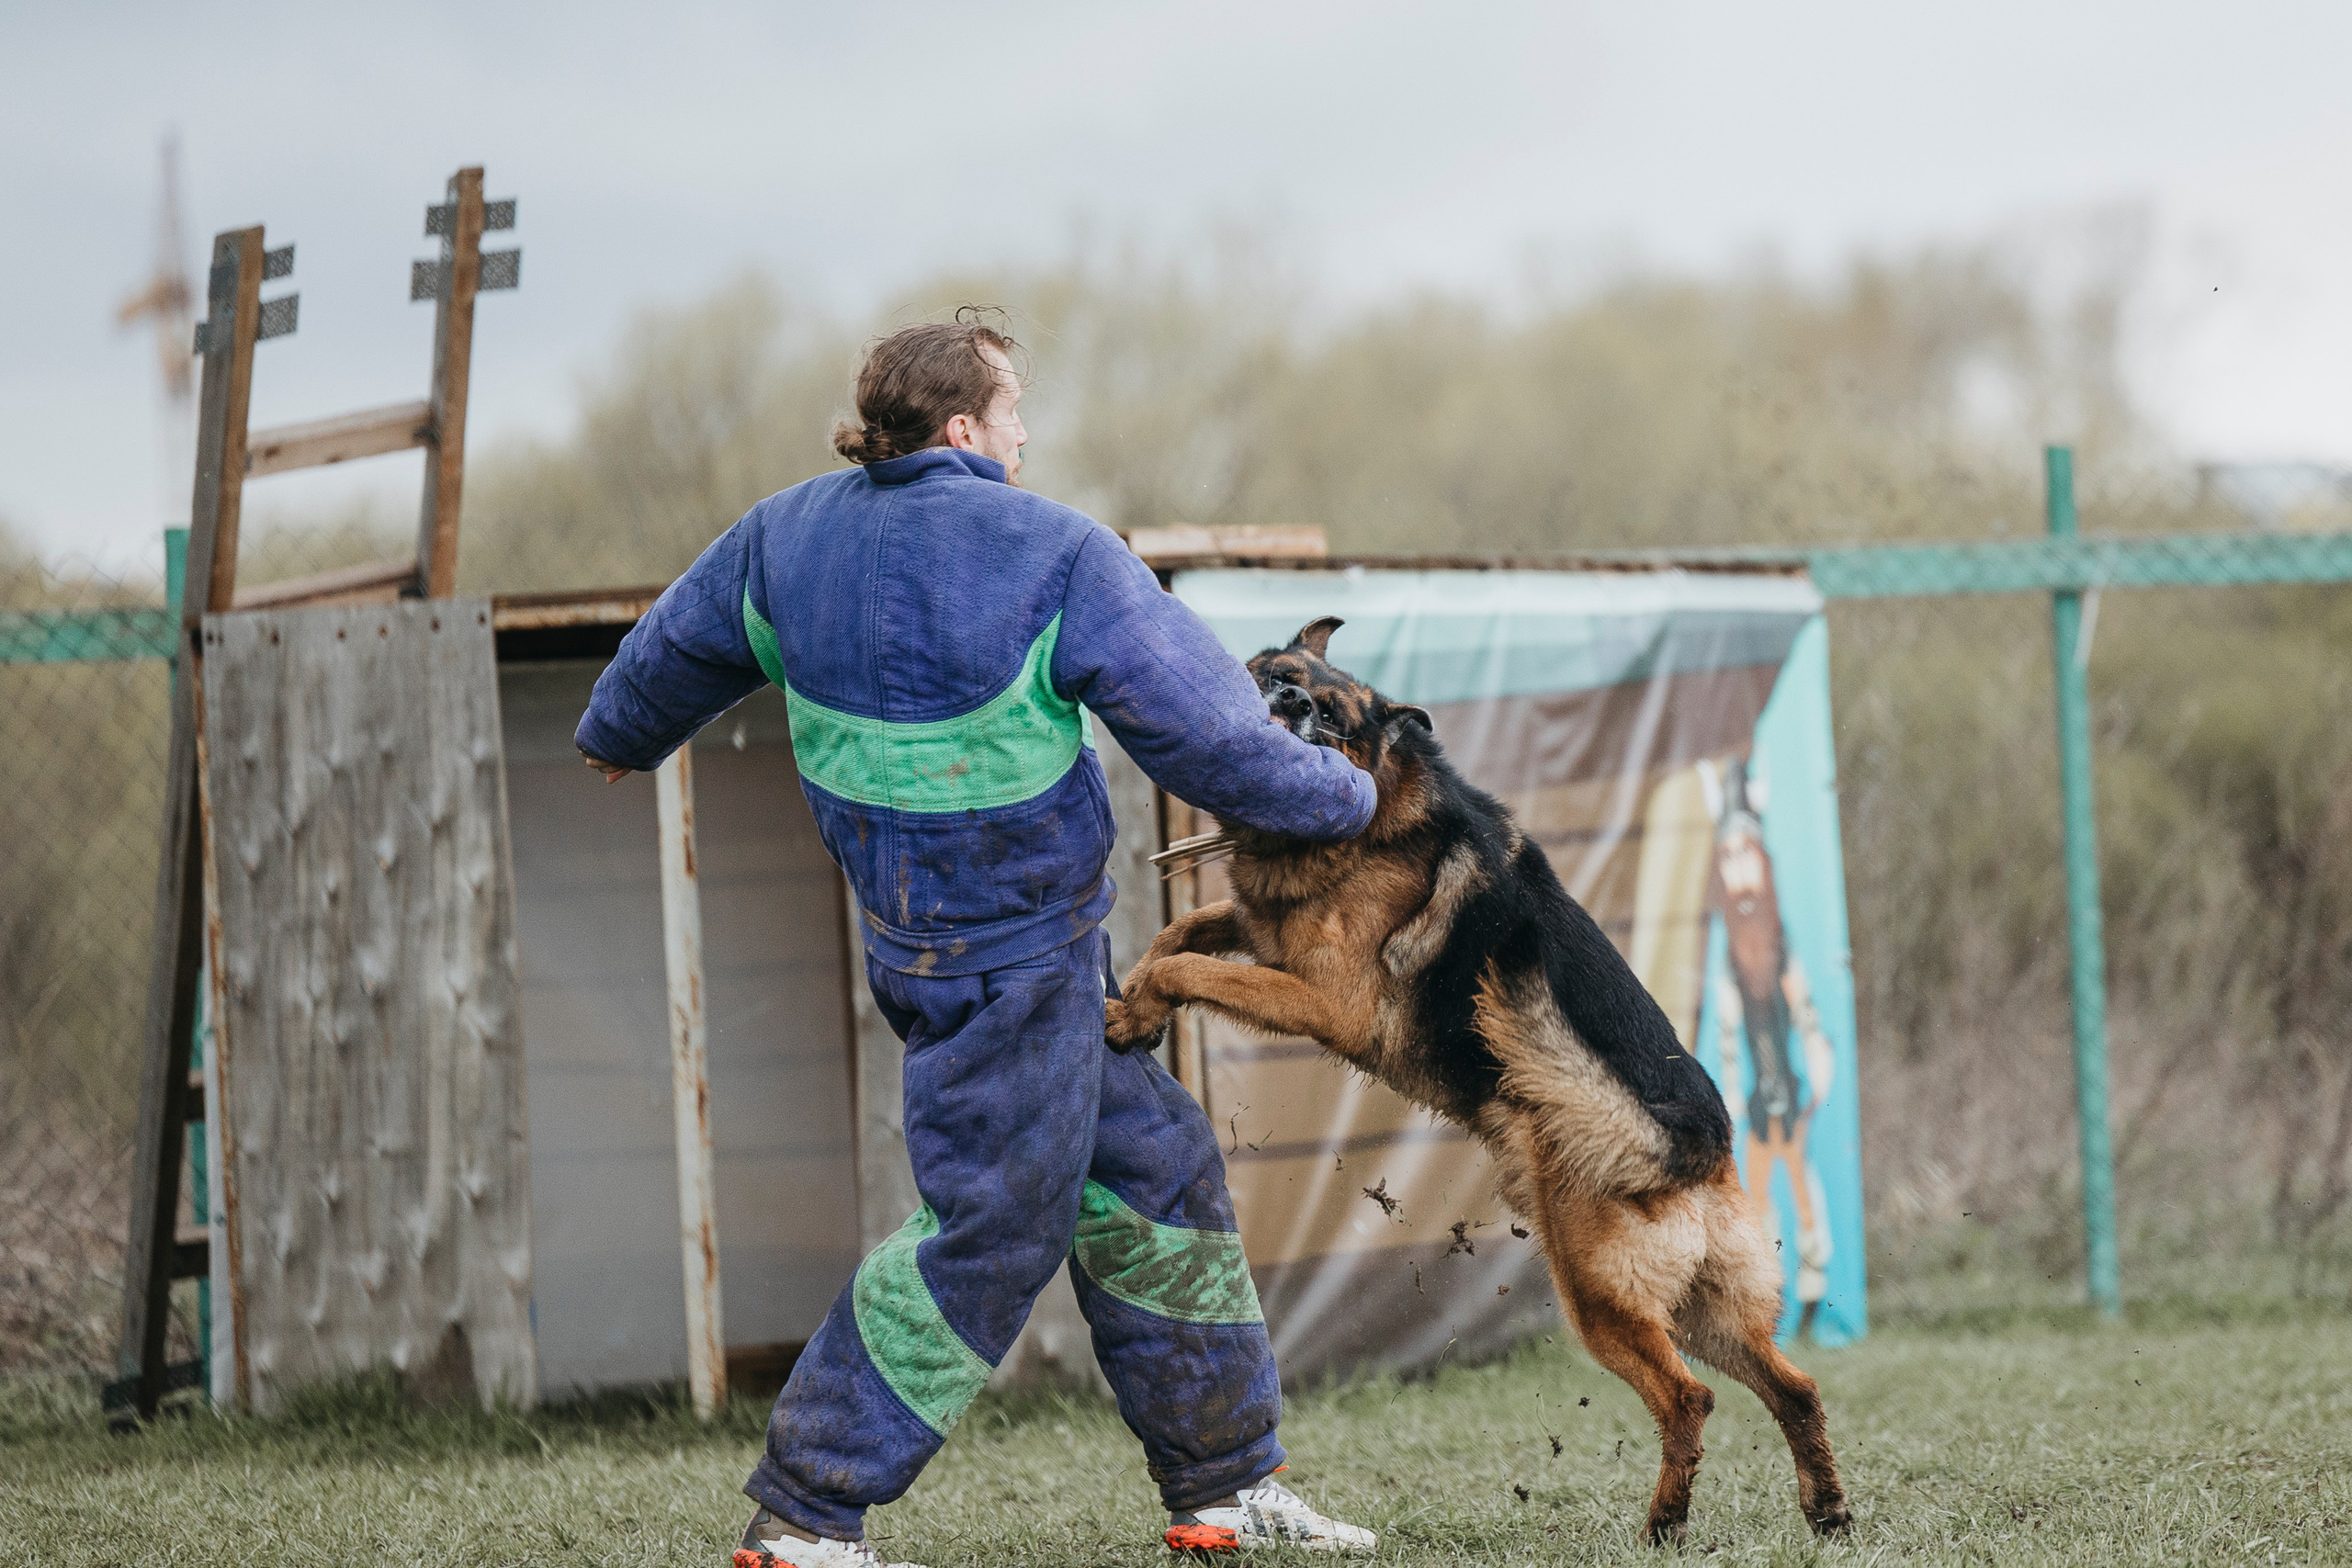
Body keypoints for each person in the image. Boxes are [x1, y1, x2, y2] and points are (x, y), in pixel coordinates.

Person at [575, 309, 1382, 1568]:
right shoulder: (1058, 553)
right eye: (1015, 415)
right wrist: (1343, 798)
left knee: (1154, 1171)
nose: (1026, 437)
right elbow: (1209, 734)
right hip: (1022, 956)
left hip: (923, 943)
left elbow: (676, 641)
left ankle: (1229, 1487)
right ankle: (807, 1507)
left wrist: (620, 733)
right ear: (966, 429)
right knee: (990, 1227)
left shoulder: (785, 536)